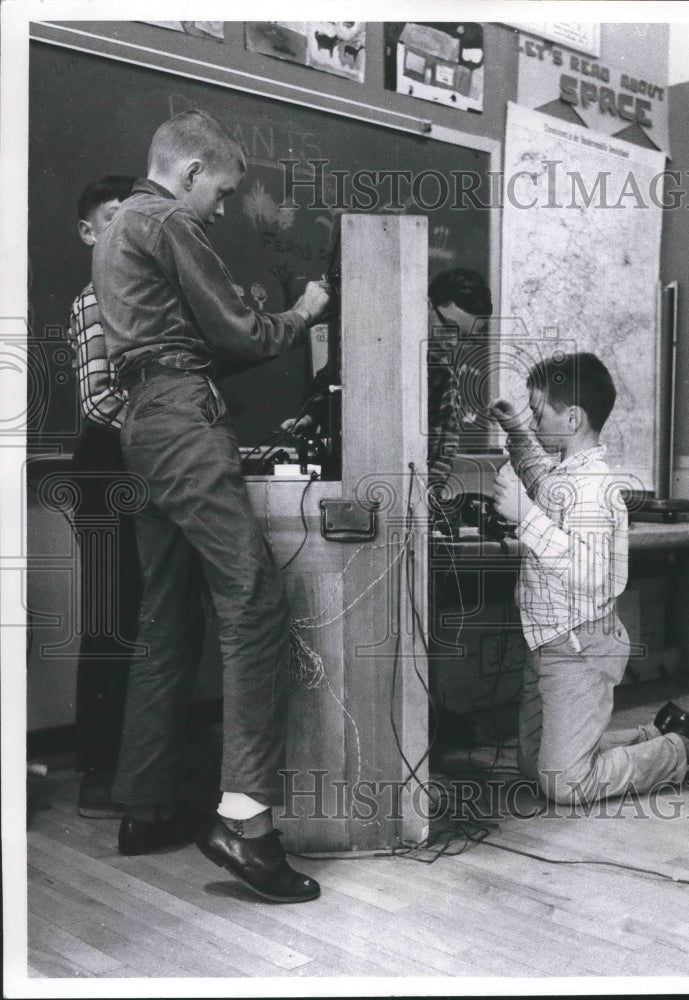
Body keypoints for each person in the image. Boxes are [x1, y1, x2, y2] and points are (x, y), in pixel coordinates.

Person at [92, 109, 331, 903]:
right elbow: (241, 333)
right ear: (190, 172)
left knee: (167, 614)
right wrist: (304, 310)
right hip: (181, 422)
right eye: (221, 192)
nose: (222, 210)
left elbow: (180, 342)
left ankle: (147, 805)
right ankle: (246, 823)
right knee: (254, 600)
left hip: (142, 425)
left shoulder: (119, 226)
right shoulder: (167, 220)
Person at [489, 351, 689, 806]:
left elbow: (589, 573)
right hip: (547, 642)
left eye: (538, 414)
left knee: (566, 784)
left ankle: (681, 749)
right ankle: (655, 733)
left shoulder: (595, 489)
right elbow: (537, 474)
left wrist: (525, 516)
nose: (533, 422)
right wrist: (515, 429)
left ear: (572, 419)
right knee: (534, 766)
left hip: (579, 648)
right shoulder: (567, 473)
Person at [281, 267, 493, 493]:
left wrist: (425, 501)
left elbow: (442, 457)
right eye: (450, 328)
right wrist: (310, 417)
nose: (453, 343)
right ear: (427, 306)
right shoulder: (376, 345)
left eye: (466, 338)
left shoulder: (444, 378)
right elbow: (327, 385)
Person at [67, 175, 141, 818]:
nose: (128, 229)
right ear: (89, 233)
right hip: (108, 470)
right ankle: (99, 770)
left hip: (143, 464)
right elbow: (98, 400)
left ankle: (139, 763)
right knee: (111, 618)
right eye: (114, 217)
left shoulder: (145, 294)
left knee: (147, 615)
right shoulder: (96, 298)